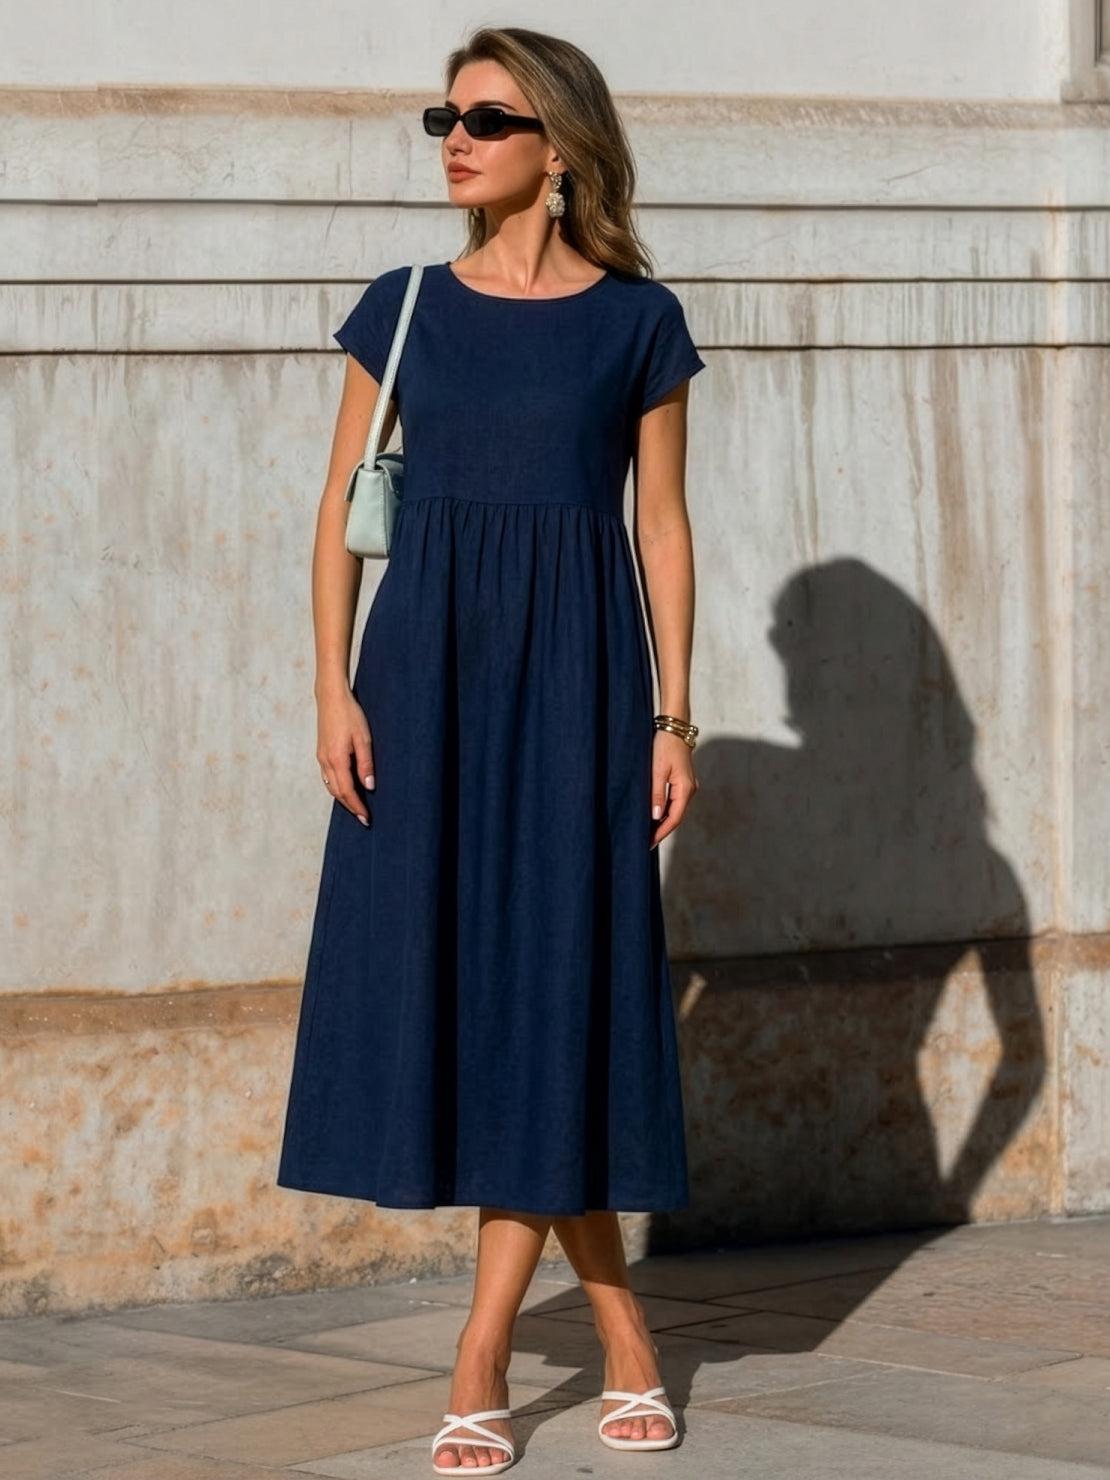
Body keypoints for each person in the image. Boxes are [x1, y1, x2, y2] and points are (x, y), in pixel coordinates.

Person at [276, 24, 706, 1472]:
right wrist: (331, 691)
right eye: (441, 116)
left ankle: (480, 1346)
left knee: (554, 986)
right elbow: (341, 512)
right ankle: (623, 1328)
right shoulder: (400, 307)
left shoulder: (636, 323)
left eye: (485, 117)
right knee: (479, 995)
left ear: (560, 147)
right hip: (427, 679)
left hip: (582, 681)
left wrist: (669, 711)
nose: (452, 138)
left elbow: (659, 526)